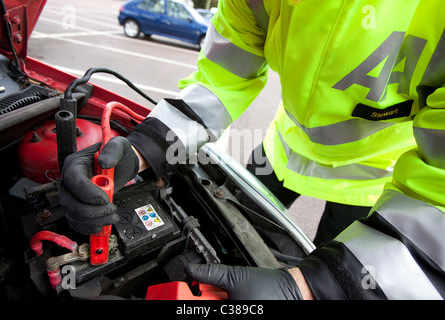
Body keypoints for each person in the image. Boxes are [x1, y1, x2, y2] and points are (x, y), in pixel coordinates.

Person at [59, 0, 445, 299]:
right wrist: (149, 144)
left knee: (340, 270)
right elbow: (225, 73)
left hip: (368, 180)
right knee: (232, 226)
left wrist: (314, 287)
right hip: (282, 148)